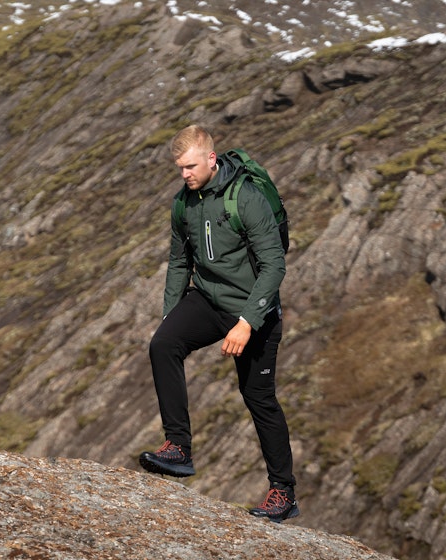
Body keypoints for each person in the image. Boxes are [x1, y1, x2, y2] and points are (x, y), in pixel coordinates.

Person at [139, 124, 298, 523]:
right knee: (163, 344)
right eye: (180, 168)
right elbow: (179, 262)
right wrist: (170, 317)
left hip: (255, 309)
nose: (185, 175)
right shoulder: (184, 203)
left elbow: (274, 265)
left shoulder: (245, 197)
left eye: (190, 166)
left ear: (211, 159)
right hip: (209, 300)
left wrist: (247, 322)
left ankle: (283, 493)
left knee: (258, 397)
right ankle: (178, 448)